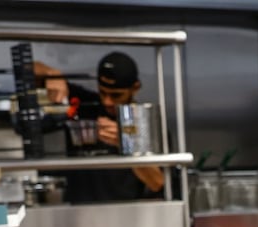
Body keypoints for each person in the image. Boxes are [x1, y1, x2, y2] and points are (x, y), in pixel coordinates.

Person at [35, 52, 164, 204]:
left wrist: (127, 143)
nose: (107, 101)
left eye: (116, 95)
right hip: (78, 212)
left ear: (135, 88)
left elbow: (157, 183)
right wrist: (52, 75)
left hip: (124, 214)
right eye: (103, 92)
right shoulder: (86, 104)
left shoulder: (144, 120)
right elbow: (28, 70)